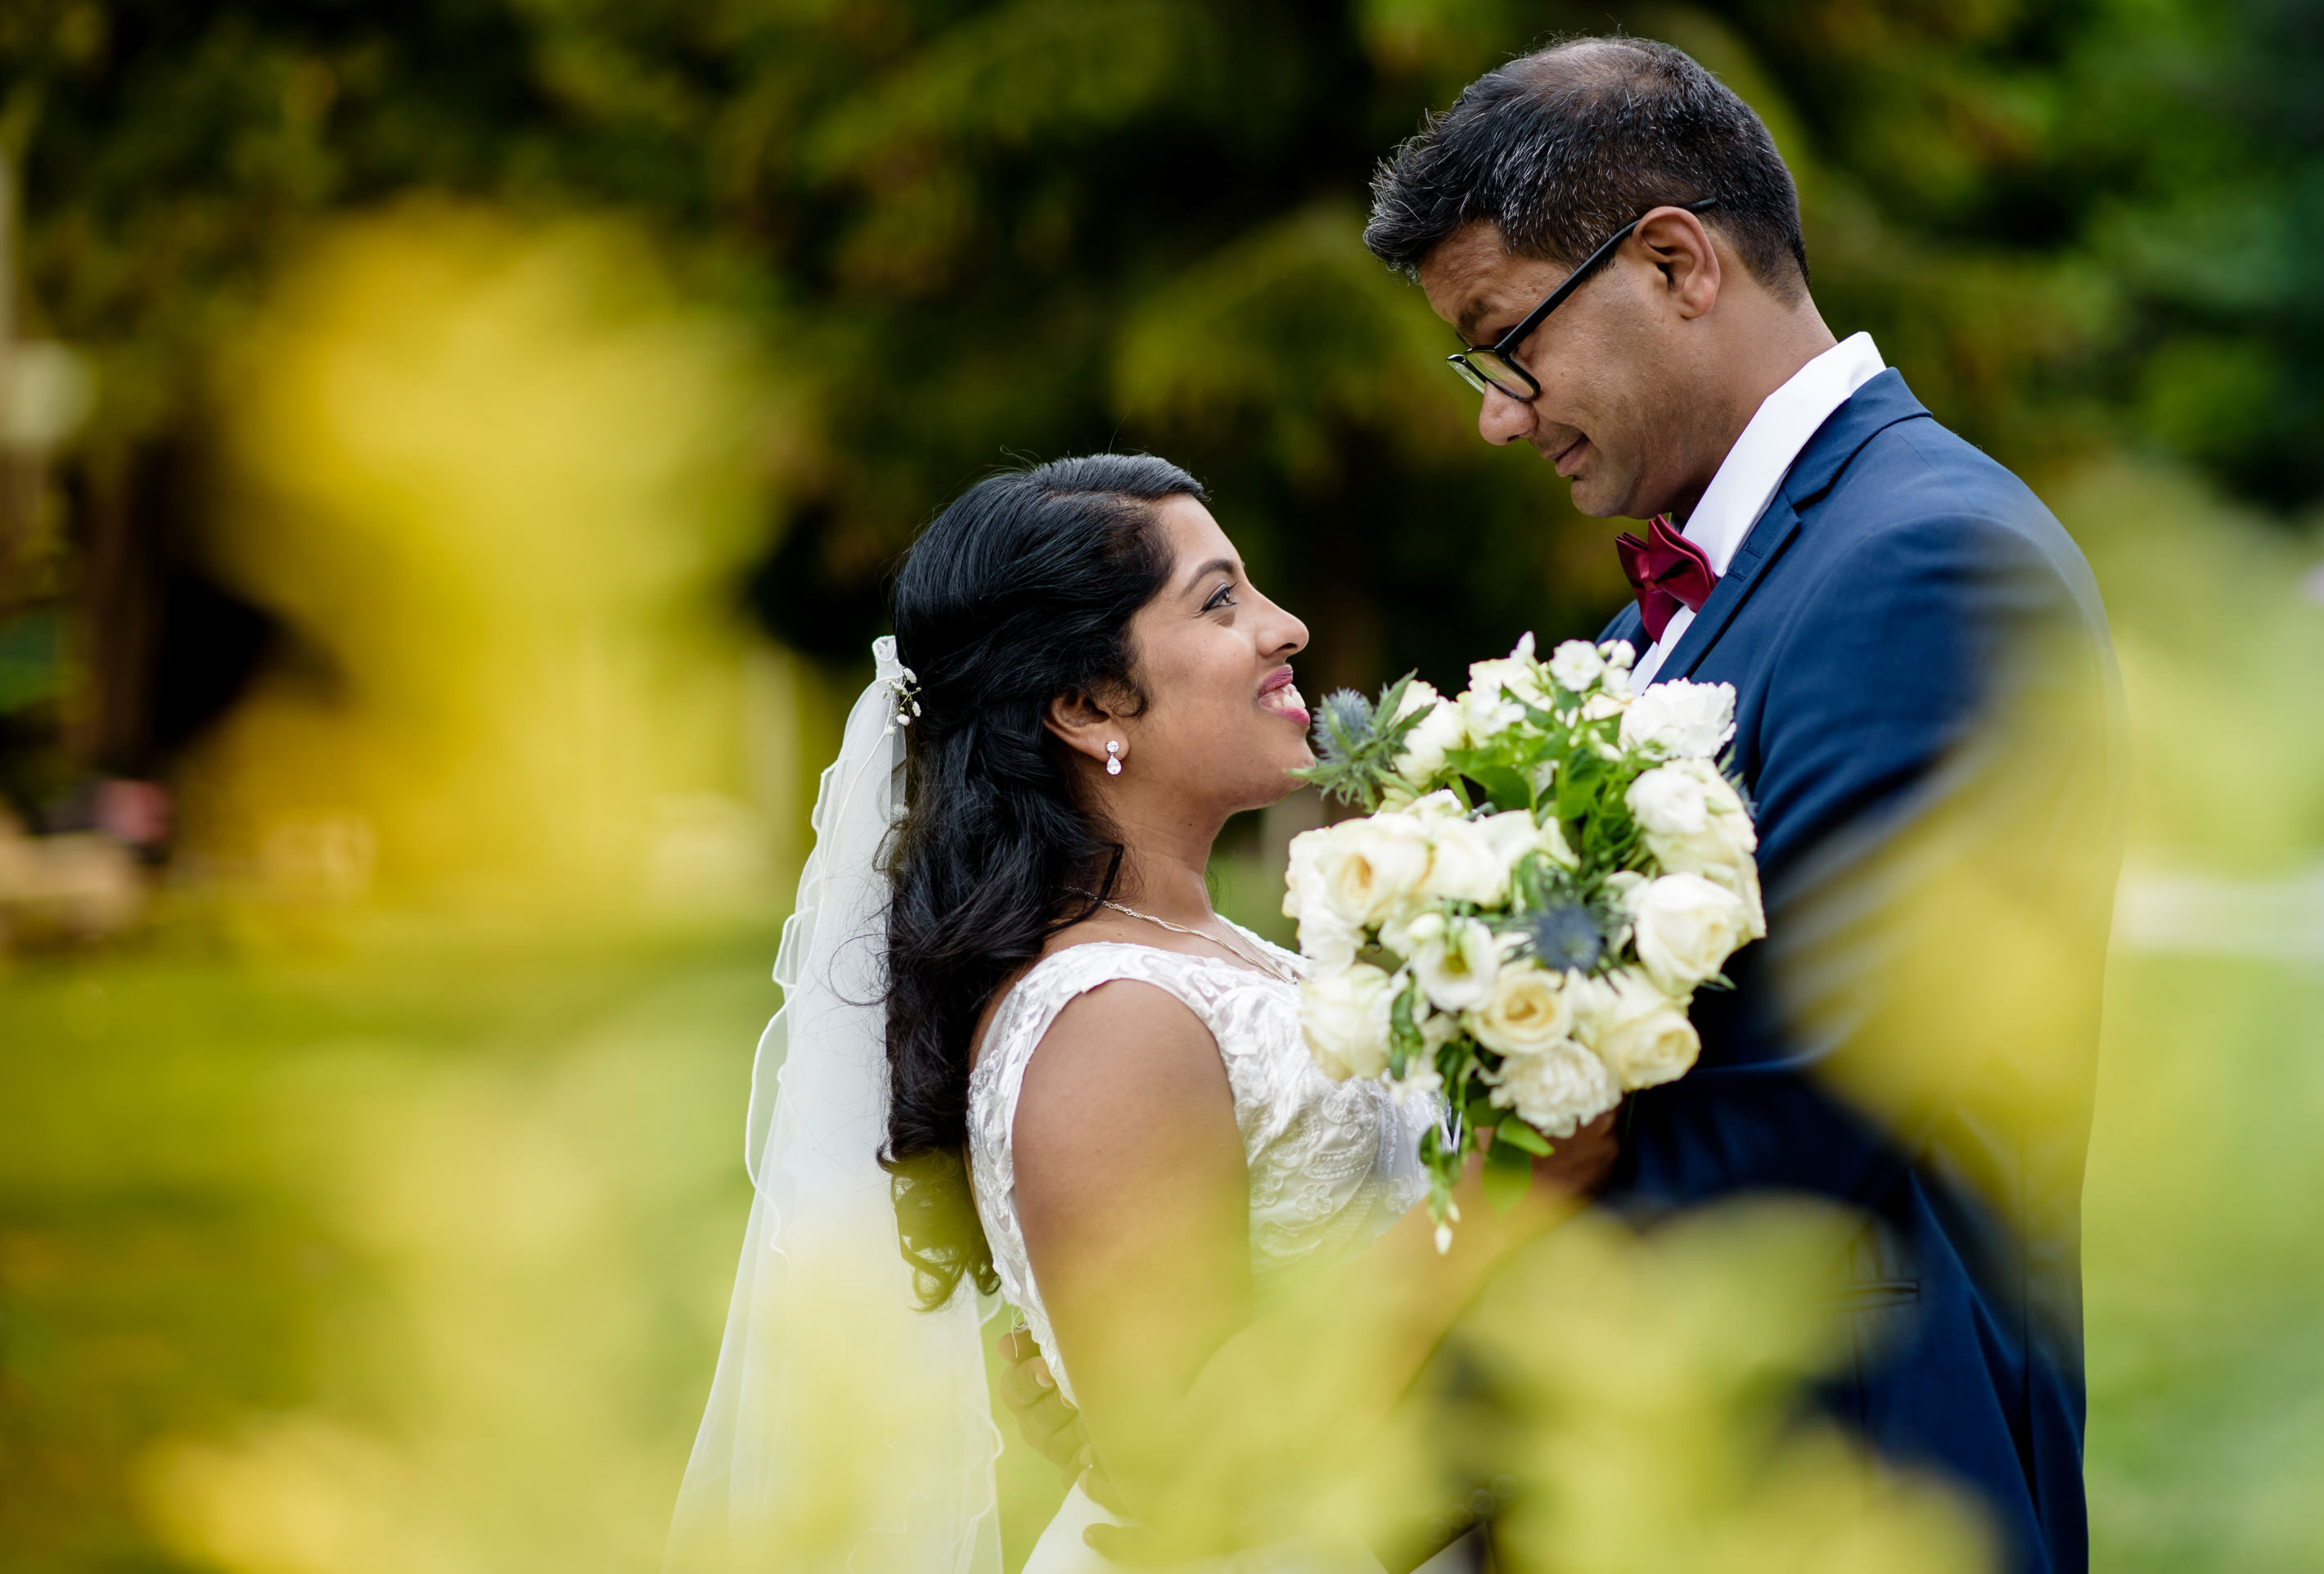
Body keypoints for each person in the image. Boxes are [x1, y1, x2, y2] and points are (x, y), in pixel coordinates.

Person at [1011, 37, 2124, 1574]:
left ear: (1674, 263)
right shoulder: (1643, 634)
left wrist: (1291, 1438)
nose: (1497, 416)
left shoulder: (1927, 562)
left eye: (1502, 343)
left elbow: (1790, 1115)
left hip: (1842, 1469)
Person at [668, 453, 1617, 1574]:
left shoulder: (1213, 957)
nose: (1288, 628)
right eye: (1219, 601)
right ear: (1083, 705)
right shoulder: (1110, 1017)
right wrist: (1498, 1196)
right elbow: (1188, 1469)